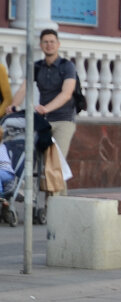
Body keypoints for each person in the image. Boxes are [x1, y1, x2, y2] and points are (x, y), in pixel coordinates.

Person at [12, 29, 78, 193]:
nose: (49, 45)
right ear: (41, 45)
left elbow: (67, 93)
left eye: (52, 42)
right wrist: (13, 105)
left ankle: (57, 204)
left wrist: (46, 108)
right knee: (30, 156)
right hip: (43, 121)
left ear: (58, 44)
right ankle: (26, 193)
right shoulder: (37, 66)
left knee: (56, 163)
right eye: (45, 42)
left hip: (64, 120)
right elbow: (23, 88)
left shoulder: (67, 66)